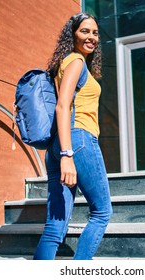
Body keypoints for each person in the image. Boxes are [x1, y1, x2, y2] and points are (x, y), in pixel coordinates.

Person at [33, 12, 112, 260]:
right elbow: (62, 105)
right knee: (101, 212)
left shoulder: (64, 63)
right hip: (77, 141)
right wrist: (67, 155)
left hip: (60, 143)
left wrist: (63, 151)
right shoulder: (76, 61)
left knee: (55, 225)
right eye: (85, 31)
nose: (91, 37)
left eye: (95, 32)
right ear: (73, 34)